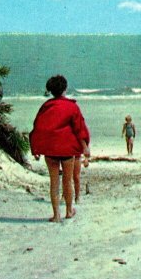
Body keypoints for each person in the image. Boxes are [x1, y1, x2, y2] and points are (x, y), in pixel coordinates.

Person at [29, 75, 91, 222]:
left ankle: (56, 215)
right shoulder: (72, 106)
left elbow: (38, 127)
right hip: (67, 149)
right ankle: (69, 211)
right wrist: (85, 147)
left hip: (50, 150)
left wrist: (35, 148)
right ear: (65, 88)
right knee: (67, 181)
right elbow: (79, 129)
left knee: (54, 182)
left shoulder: (46, 107)